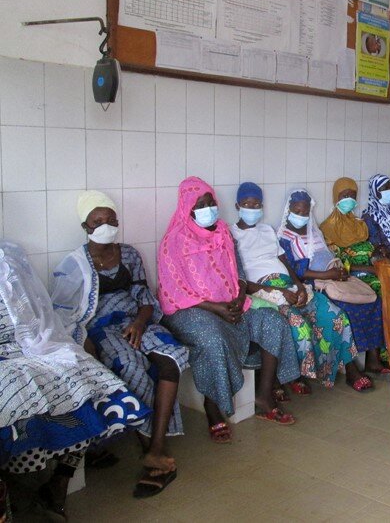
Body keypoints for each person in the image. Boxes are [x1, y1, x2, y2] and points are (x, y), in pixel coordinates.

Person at [51, 191, 189, 498]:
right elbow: (65, 315)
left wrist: (140, 323)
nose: (106, 224)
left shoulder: (129, 254)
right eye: (98, 221)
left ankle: (156, 446)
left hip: (136, 320)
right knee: (131, 365)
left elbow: (143, 296)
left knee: (171, 357)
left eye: (111, 219)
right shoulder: (75, 264)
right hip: (101, 328)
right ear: (86, 226)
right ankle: (152, 454)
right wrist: (86, 345)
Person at [0, 241, 150, 517]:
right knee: (22, 412)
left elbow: (37, 307)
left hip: (30, 344)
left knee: (88, 380)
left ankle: (61, 479)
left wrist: (51, 342)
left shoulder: (9, 255)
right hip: (7, 357)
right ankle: (25, 497)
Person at [158, 177, 300, 444]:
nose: (209, 208)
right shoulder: (174, 241)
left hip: (230, 303)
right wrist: (216, 308)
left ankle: (265, 393)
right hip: (190, 309)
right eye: (201, 204)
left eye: (211, 202)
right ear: (187, 208)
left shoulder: (223, 233)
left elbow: (240, 273)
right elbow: (173, 290)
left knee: (272, 320)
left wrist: (237, 295)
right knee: (213, 337)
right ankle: (213, 407)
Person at [229, 183, 367, 393]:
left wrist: (299, 286)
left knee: (336, 316)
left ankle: (350, 370)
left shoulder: (267, 230)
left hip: (289, 284)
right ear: (237, 205)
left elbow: (284, 261)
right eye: (247, 204)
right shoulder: (231, 235)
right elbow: (237, 277)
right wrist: (279, 292)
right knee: (300, 326)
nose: (252, 208)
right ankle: (294, 376)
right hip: (263, 288)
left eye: (256, 204)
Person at [278, 189, 374, 392]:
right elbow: (295, 271)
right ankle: (335, 370)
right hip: (308, 287)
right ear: (289, 210)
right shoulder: (283, 238)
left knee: (344, 314)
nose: (301, 216)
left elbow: (326, 255)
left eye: (305, 212)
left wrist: (336, 271)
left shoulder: (314, 232)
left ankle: (352, 368)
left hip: (328, 282)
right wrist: (327, 276)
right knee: (332, 315)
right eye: (297, 211)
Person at [321, 177, 390, 375]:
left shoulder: (360, 224)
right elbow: (338, 261)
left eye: (352, 196)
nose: (349, 199)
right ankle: (382, 356)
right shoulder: (328, 228)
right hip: (354, 275)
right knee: (385, 296)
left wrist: (378, 258)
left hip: (373, 269)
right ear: (335, 197)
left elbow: (371, 249)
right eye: (344, 195)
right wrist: (372, 270)